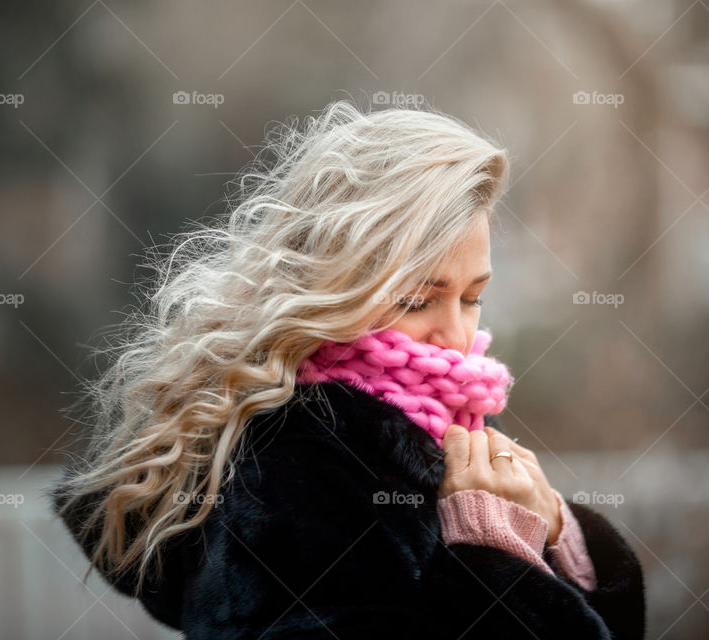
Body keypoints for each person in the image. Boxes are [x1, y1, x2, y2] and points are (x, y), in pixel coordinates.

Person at [47, 99, 646, 639]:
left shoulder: (414, 432)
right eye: (418, 299)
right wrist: (494, 556)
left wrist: (560, 534)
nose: (457, 334)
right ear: (337, 286)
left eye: (471, 297)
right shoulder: (298, 461)